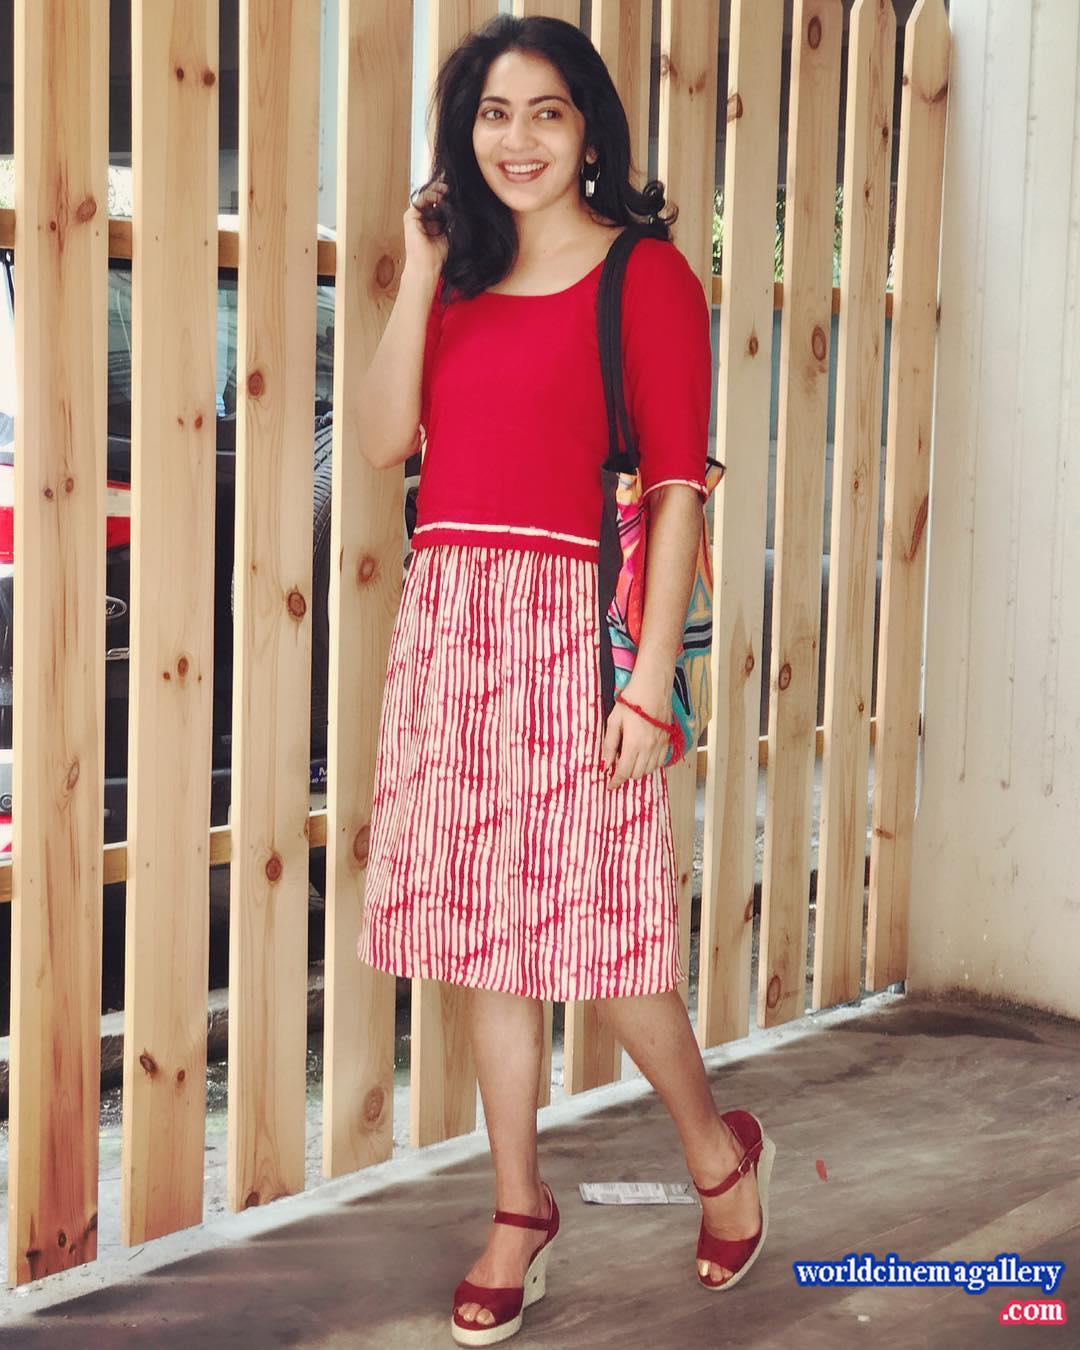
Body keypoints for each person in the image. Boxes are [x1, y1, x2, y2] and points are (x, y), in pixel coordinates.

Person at [353, 14, 774, 1346]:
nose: (518, 138)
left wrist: (645, 686)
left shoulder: (647, 275)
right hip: (451, 628)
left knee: (612, 935)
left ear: (590, 130)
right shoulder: (461, 277)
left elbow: (676, 488)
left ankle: (715, 1154)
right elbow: (381, 442)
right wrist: (423, 264)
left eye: (546, 110)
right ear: (463, 135)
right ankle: (518, 1209)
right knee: (485, 937)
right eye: (494, 113)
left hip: (578, 636)